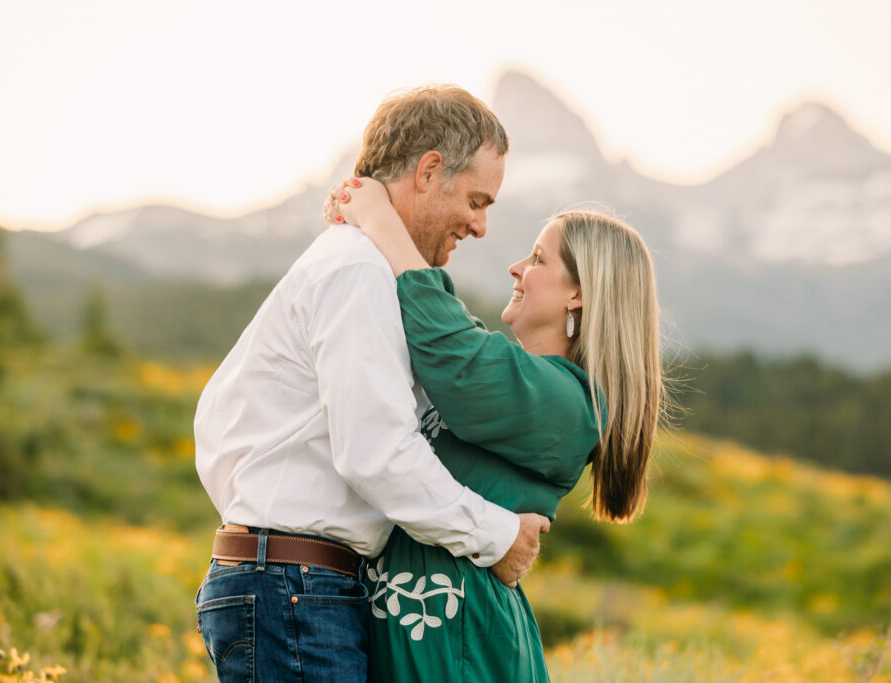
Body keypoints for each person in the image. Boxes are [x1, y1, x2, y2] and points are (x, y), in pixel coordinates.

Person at [192, 85, 551, 682]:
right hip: (295, 589)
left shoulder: (359, 264)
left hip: (290, 583)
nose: (482, 226)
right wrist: (498, 535)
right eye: (476, 199)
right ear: (430, 171)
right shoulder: (355, 271)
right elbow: (376, 453)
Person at [323, 177, 663, 682]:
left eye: (538, 259)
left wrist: (380, 221)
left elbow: (457, 353)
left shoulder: (572, 405)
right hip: (428, 636)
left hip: (461, 647)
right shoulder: (522, 383)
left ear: (579, 295)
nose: (517, 269)